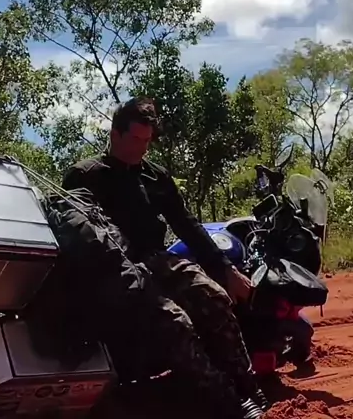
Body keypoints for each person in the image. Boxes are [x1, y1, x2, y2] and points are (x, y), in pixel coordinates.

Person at [61, 96, 268, 419]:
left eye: (147, 141)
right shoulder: (85, 175)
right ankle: (227, 402)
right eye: (135, 139)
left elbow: (187, 226)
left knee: (214, 297)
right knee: (175, 322)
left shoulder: (155, 176)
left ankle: (247, 387)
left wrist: (225, 270)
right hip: (116, 271)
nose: (142, 149)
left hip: (157, 260)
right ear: (115, 135)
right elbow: (79, 233)